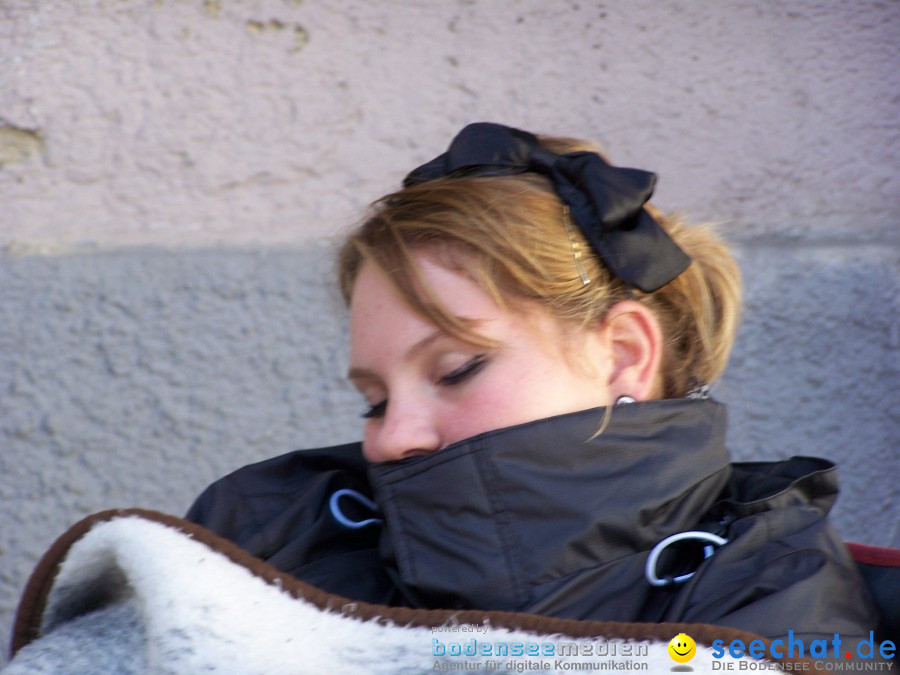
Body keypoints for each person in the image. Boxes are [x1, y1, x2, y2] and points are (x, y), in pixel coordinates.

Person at [185, 123, 880, 642]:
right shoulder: (272, 532)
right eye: (375, 400)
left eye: (458, 368)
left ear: (624, 354)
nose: (392, 437)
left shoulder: (769, 595)